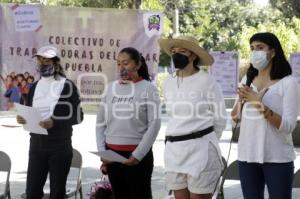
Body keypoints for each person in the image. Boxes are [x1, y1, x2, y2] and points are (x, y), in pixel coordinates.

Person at [231, 32, 300, 199]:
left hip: (277, 158)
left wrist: (258, 104)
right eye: (252, 48)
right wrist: (240, 103)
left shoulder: (289, 83)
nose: (255, 52)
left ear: (273, 52)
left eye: (260, 48)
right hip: (247, 156)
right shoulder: (247, 79)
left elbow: (288, 126)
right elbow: (235, 120)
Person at [159, 35, 227, 199]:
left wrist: (206, 140)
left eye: (182, 51)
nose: (176, 54)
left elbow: (220, 118)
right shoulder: (168, 82)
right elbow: (173, 115)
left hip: (201, 150)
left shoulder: (207, 81)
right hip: (174, 150)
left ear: (194, 55)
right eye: (174, 51)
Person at [16, 45, 84, 199]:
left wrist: (55, 122)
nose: (42, 63)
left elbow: (79, 116)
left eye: (46, 60)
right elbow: (31, 112)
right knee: (32, 192)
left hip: (59, 148)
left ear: (56, 62)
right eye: (40, 60)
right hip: (36, 146)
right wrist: (23, 118)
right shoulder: (34, 87)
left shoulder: (67, 86)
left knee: (57, 193)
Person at [96, 47, 161, 199]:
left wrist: (137, 155)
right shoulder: (110, 88)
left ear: (137, 65)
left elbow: (155, 124)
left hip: (137, 157)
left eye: (125, 63)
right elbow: (100, 123)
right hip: (112, 157)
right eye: (118, 63)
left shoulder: (148, 89)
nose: (121, 67)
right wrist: (103, 152)